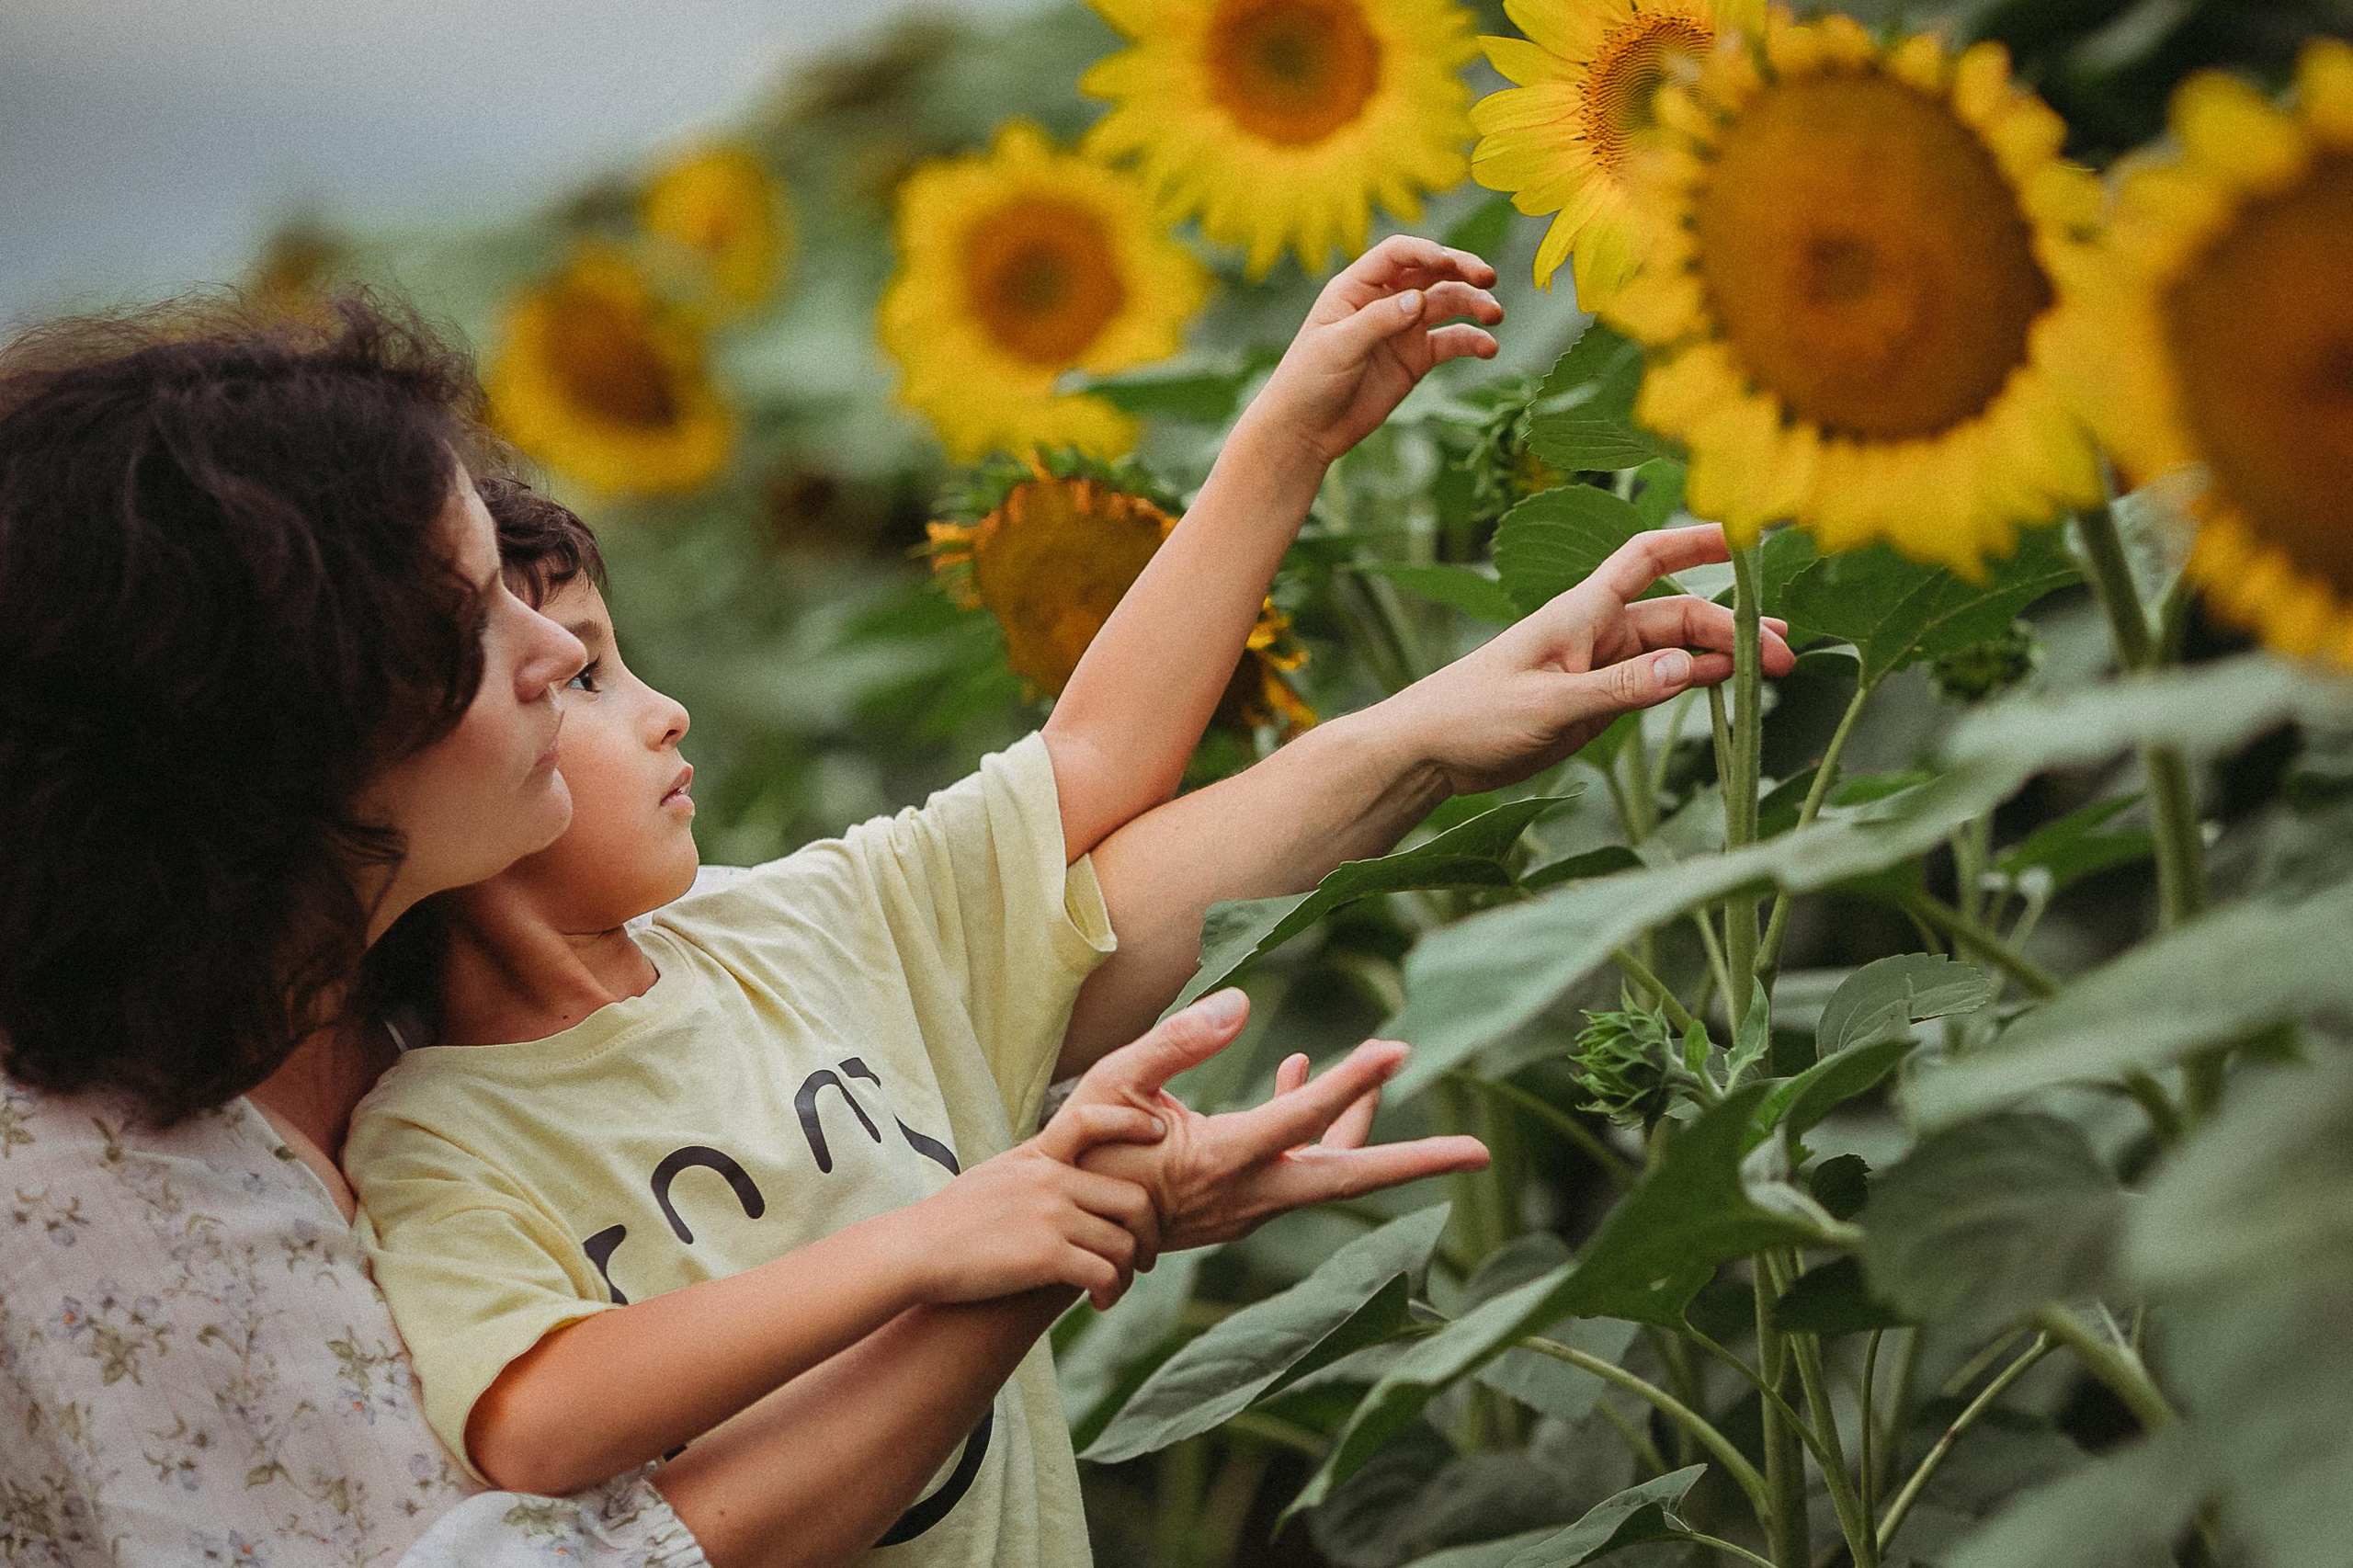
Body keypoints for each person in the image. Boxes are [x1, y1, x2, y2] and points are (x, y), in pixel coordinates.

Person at [0, 290, 1521, 1568]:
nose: (556, 664)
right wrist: (996, 1244)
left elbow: (1075, 836)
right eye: (477, 622)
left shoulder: (412, 977)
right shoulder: (109, 1203)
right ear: (295, 715)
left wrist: (1439, 712)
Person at [340, 234, 1796, 1568]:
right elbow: (536, 1418)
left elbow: (1088, 765)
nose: (659, 712)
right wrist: (955, 1234)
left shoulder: (800, 930)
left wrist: (1300, 454)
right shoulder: (441, 1128)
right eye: (585, 671)